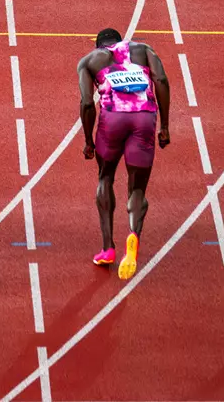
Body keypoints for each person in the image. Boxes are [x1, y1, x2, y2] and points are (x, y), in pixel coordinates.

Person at [78, 28, 170, 280]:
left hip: (112, 119)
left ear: (99, 45)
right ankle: (133, 234)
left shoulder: (89, 61)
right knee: (137, 189)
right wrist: (165, 126)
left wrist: (88, 140)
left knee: (105, 178)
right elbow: (161, 80)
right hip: (144, 118)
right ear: (121, 42)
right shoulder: (144, 50)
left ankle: (107, 247)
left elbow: (87, 102)